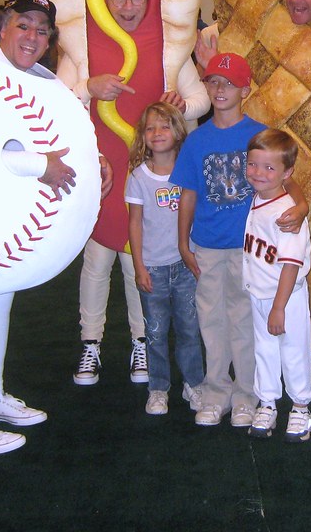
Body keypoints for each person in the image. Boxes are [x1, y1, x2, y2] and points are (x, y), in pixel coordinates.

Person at [0, 0, 94, 454]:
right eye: (23, 25)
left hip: (2, 211)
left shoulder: (34, 78)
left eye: (42, 30)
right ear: (1, 26)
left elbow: (60, 133)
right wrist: (39, 167)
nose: (32, 36)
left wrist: (96, 162)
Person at [194, 0, 311, 395]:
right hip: (260, 177)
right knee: (257, 268)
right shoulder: (252, 33)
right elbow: (223, 86)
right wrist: (205, 64)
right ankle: (264, 359)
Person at [72, 0, 210, 387]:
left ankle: (141, 342)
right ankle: (90, 344)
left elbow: (200, 97)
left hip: (150, 177)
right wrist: (88, 87)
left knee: (139, 256)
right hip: (101, 172)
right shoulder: (82, 45)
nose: (128, 7)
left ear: (150, 0)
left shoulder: (170, 47)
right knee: (97, 261)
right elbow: (56, 100)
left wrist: (180, 105)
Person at [171, 52, 307, 427]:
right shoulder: (197, 140)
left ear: (245, 89)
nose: (219, 89)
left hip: (251, 248)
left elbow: (289, 178)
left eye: (229, 83)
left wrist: (303, 205)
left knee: (246, 320)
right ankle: (217, 391)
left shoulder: (259, 134)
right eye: (213, 81)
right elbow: (188, 194)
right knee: (211, 320)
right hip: (208, 246)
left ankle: (248, 393)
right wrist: (184, 244)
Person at [125, 101, 205, 416]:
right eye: (150, 128)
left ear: (177, 131)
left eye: (164, 126)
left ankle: (194, 383)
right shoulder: (139, 177)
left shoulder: (188, 172)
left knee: (189, 328)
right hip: (153, 270)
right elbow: (134, 223)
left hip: (186, 267)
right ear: (143, 136)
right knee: (155, 331)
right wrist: (139, 267)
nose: (158, 133)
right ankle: (158, 388)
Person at [244, 128, 311, 443]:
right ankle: (268, 401)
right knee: (265, 350)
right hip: (261, 293)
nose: (259, 173)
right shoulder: (260, 197)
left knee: (293, 350)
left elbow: (289, 265)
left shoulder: (288, 214)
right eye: (253, 164)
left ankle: (300, 406)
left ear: (286, 173)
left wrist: (278, 307)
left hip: (285, 298)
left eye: (269, 168)